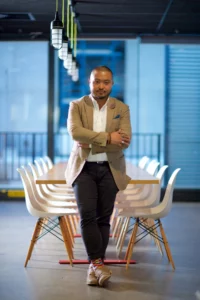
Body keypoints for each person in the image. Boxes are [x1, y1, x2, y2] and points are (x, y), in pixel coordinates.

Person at [65, 66, 132, 287]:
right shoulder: (77, 105)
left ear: (112, 84)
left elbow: (124, 140)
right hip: (83, 169)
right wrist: (107, 138)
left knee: (104, 218)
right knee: (87, 216)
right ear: (89, 82)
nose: (100, 86)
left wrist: (91, 140)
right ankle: (97, 263)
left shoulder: (121, 108)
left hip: (110, 170)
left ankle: (95, 268)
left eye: (105, 82)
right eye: (96, 82)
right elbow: (75, 132)